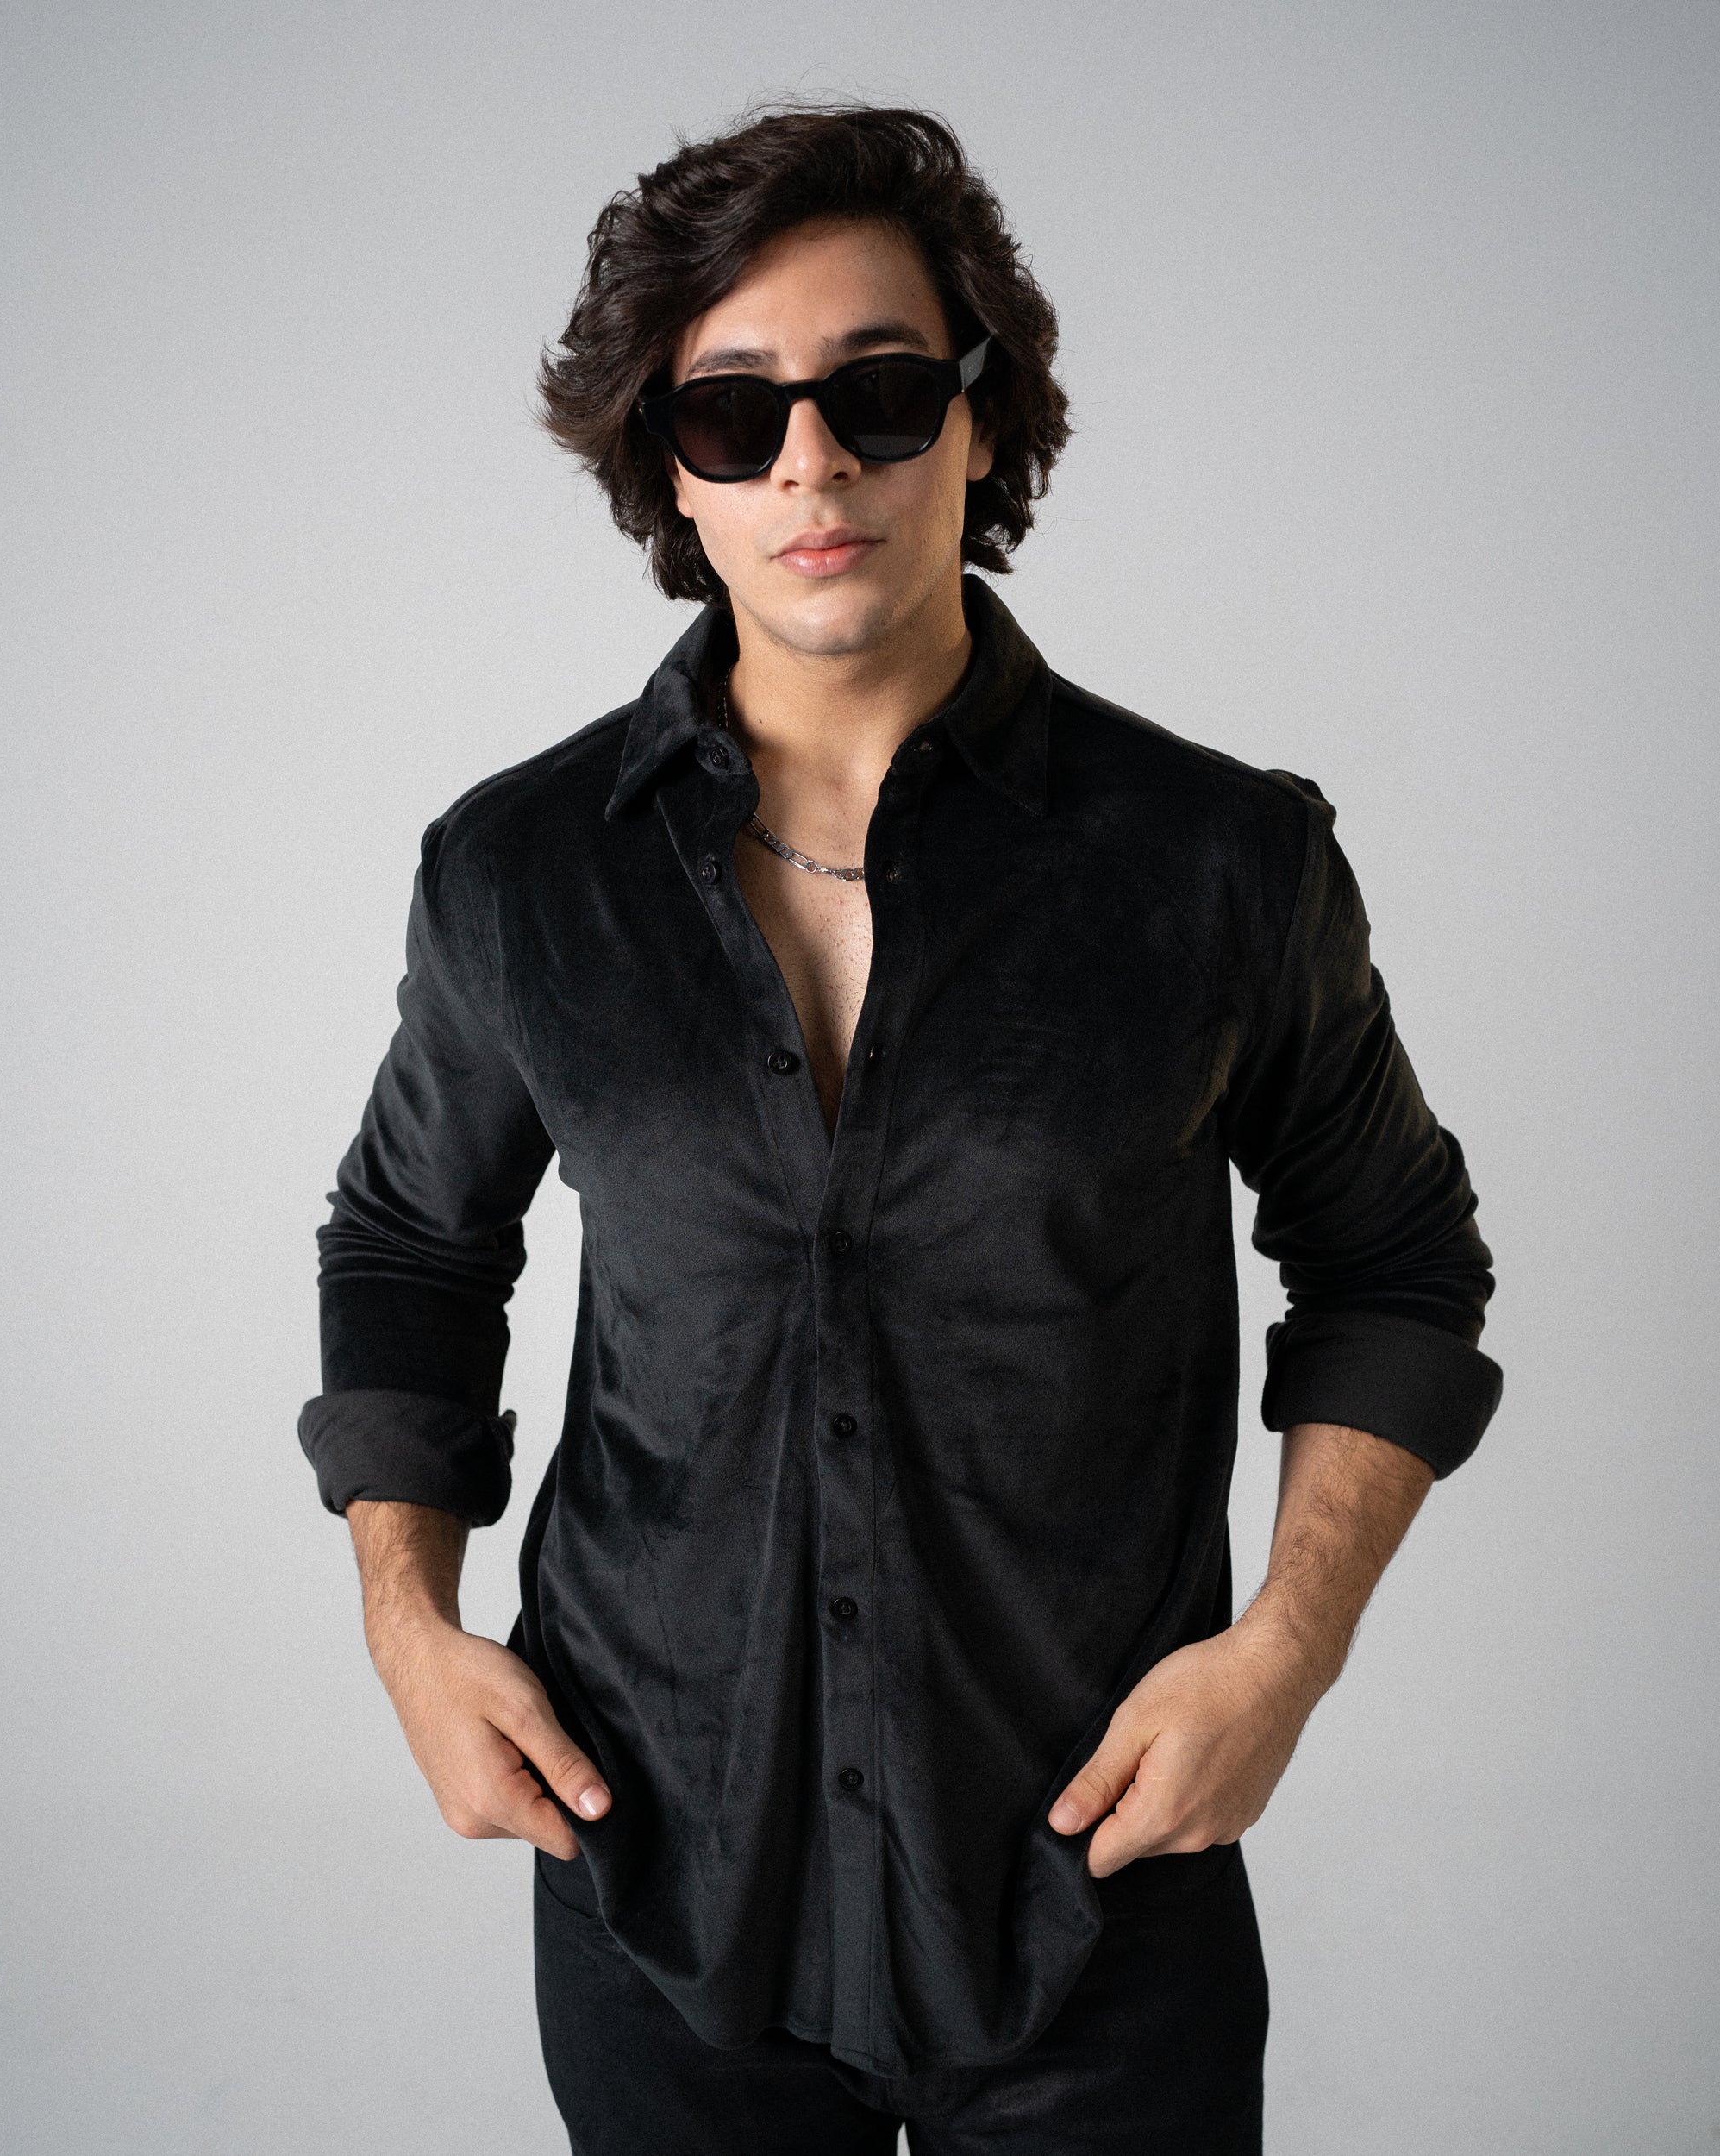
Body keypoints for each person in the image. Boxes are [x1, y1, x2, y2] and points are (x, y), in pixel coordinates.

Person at [297, 103, 1502, 2154]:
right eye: (731, 412)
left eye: (874, 391)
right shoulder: (517, 873)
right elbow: (412, 1246)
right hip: (654, 1879)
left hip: (1093, 1887)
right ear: (667, 466)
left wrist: (1285, 1654)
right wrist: (410, 1631)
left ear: (976, 415)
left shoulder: (1218, 860)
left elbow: (1393, 1259)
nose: (809, 464)